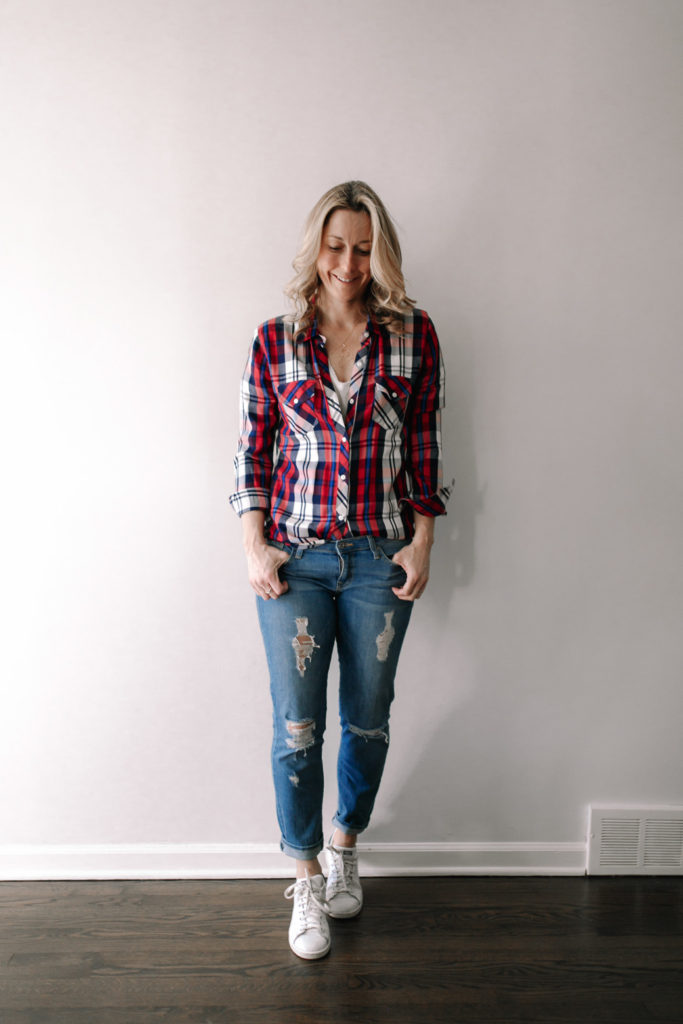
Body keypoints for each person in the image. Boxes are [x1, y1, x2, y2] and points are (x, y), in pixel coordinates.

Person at [230, 180, 450, 960]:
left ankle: (346, 846)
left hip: (376, 560)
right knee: (297, 725)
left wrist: (422, 543)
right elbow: (254, 452)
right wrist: (254, 544)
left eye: (361, 247)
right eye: (334, 245)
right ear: (314, 248)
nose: (346, 262)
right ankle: (305, 876)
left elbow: (422, 448)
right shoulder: (274, 339)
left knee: (365, 715)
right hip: (294, 560)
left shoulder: (413, 335)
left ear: (378, 252)